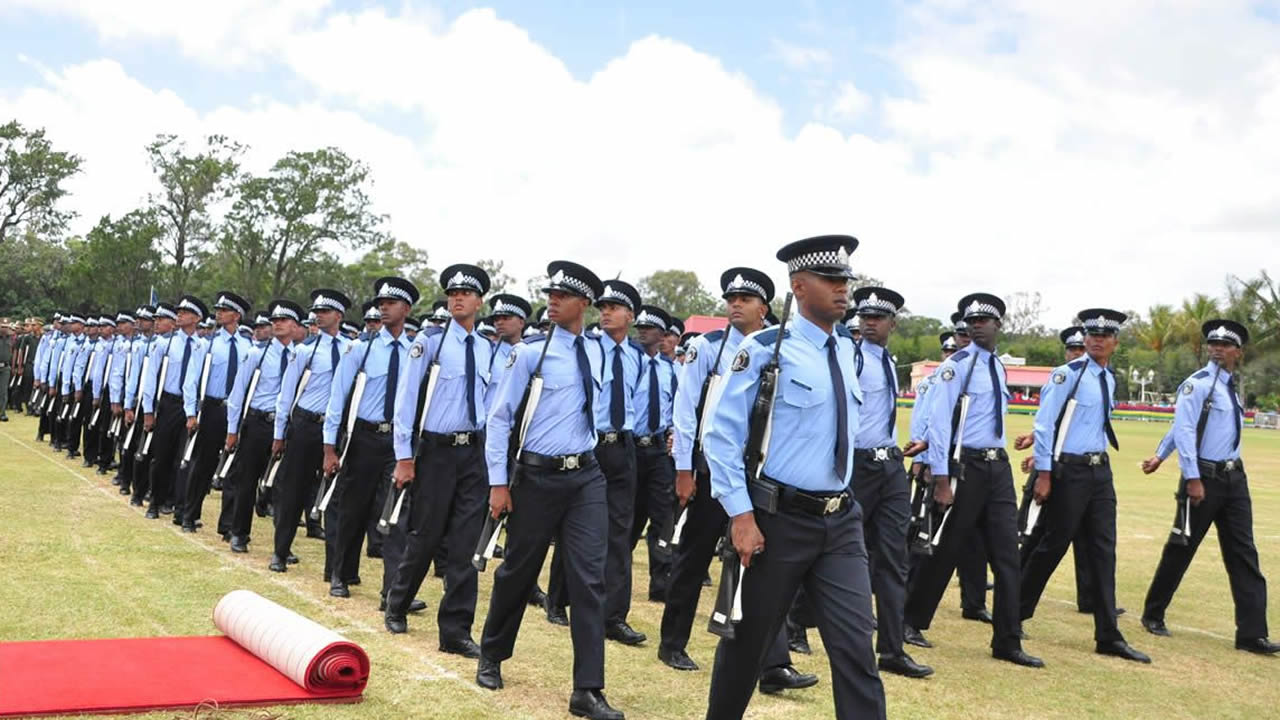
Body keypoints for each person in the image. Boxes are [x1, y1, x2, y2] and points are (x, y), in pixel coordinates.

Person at [702, 236, 885, 720]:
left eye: (847, 280)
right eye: (831, 281)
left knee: (856, 650)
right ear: (799, 286)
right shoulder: (764, 350)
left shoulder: (848, 350)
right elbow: (720, 438)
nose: (843, 290)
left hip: (840, 521)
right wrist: (740, 515)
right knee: (746, 645)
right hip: (776, 520)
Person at [476, 261, 624, 720]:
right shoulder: (530, 354)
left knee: (589, 579)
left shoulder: (598, 352)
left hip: (585, 476)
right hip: (536, 478)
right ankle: (492, 654)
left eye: (563, 296)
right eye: (551, 294)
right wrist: (499, 482)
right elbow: (499, 419)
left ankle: (587, 690)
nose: (552, 301)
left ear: (585, 305)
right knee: (519, 571)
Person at [661, 267, 815, 694]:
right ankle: (672, 642)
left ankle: (773, 664)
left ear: (764, 308)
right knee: (694, 559)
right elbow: (686, 409)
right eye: (730, 298)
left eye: (744, 300)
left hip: (763, 476)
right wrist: (684, 468)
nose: (734, 305)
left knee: (766, 567)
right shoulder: (707, 348)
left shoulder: (779, 348)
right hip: (714, 470)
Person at [903, 293, 1043, 668]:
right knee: (945, 548)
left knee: (1006, 555)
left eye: (984, 320)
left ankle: (1007, 640)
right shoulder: (957, 367)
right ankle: (910, 621)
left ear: (998, 325)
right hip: (964, 467)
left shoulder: (997, 366)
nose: (977, 325)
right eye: (971, 321)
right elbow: (939, 419)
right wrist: (942, 478)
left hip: (996, 467)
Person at [1139, 320, 1279, 655]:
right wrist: (1191, 476)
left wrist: (1160, 454)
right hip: (1204, 477)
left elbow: (1188, 427)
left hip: (1234, 479)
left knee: (1244, 554)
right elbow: (1184, 429)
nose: (1217, 349)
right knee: (1182, 546)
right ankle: (1153, 613)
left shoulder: (1230, 386)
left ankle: (1251, 634)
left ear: (1237, 353)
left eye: (1225, 345)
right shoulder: (1196, 384)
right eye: (1213, 344)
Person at [1019, 309, 1149, 663]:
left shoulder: (1108, 378)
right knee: (1052, 545)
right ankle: (1013, 616)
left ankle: (1108, 635)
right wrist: (1044, 474)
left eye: (1104, 336)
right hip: (1069, 473)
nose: (1096, 339)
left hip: (1099, 472)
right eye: (1091, 334)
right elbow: (1044, 425)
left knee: (1104, 552)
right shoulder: (1067, 375)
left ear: (1115, 342)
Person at [384, 264, 495, 661]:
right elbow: (405, 401)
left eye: (466, 293)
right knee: (426, 535)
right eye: (452, 293)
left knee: (465, 545)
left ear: (479, 301)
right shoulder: (428, 343)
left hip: (473, 453)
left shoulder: (487, 348)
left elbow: (493, 407)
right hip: (435, 451)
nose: (458, 298)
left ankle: (456, 631)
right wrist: (404, 457)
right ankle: (397, 603)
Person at [545, 281, 643, 636]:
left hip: (624, 445)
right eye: (602, 307)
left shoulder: (637, 357)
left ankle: (614, 616)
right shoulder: (587, 349)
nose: (605, 313)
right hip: (591, 444)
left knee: (619, 532)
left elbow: (635, 402)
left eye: (614, 308)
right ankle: (557, 600)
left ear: (630, 316)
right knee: (574, 526)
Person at [847, 287, 934, 679]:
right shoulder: (851, 357)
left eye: (878, 317)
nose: (869, 322)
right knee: (841, 546)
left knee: (894, 556)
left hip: (889, 463)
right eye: (864, 315)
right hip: (857, 464)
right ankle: (798, 624)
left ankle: (892, 649)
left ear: (892, 324)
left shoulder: (887, 360)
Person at [323, 277, 418, 601]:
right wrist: (329, 448)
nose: (384, 308)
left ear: (405, 309)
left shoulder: (415, 353)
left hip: (399, 443)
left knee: (396, 513)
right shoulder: (359, 350)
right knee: (354, 508)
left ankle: (392, 589)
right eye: (381, 303)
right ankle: (342, 573)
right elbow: (338, 399)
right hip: (363, 438)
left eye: (391, 304)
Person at [269, 289, 351, 571]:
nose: (318, 316)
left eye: (325, 312)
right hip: (306, 426)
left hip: (338, 429)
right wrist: (280, 433)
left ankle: (335, 568)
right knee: (293, 490)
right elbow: (286, 393)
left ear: (338, 316)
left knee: (336, 495)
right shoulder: (305, 350)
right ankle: (280, 551)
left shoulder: (352, 349)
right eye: (316, 312)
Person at [223, 299, 298, 551]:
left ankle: (282, 546)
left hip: (287, 426)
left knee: (283, 487)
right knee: (247, 481)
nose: (276, 325)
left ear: (295, 325)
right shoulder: (257, 353)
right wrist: (232, 431)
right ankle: (239, 533)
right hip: (258, 423)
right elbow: (237, 394)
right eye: (274, 321)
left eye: (282, 321)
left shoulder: (300, 356)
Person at [182, 292, 253, 533]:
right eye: (218, 310)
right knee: (202, 463)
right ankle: (189, 515)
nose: (218, 313)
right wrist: (191, 413)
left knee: (235, 467)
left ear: (237, 315)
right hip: (212, 408)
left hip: (236, 411)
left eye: (224, 310)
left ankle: (228, 525)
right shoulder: (207, 343)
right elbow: (191, 380)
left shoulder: (248, 346)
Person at [140, 298, 209, 519]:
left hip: (191, 407)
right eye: (178, 311)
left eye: (186, 312)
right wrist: (148, 410)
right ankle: (155, 501)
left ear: (197, 319)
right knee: (161, 456)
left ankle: (179, 507)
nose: (179, 315)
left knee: (184, 459)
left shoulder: (202, 346)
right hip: (168, 403)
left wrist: (193, 412)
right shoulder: (164, 344)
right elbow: (150, 378)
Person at [630, 305, 678, 608]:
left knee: (663, 519)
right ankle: (615, 578)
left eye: (650, 328)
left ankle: (660, 584)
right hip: (631, 448)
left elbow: (676, 407)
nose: (643, 331)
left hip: (659, 450)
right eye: (641, 327)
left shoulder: (671, 370)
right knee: (629, 519)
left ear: (662, 335)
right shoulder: (628, 363)